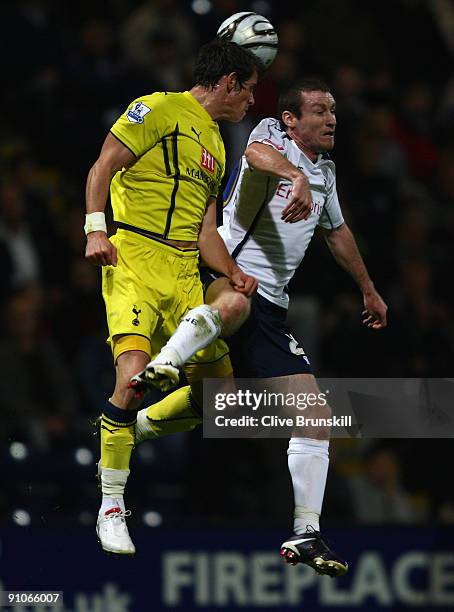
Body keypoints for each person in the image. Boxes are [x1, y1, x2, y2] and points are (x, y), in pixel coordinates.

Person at [134, 79, 388, 577]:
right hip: (225, 270)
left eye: (333, 109)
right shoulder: (273, 135)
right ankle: (165, 364)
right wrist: (292, 172)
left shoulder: (327, 175)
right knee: (233, 309)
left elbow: (336, 234)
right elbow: (252, 154)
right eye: (318, 110)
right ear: (292, 119)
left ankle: (306, 531)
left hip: (270, 307)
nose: (331, 118)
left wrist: (368, 289)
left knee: (307, 413)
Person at [84, 40, 265, 555]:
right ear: (228, 82)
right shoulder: (158, 108)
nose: (253, 101)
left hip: (185, 269)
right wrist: (96, 229)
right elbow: (101, 167)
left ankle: (131, 429)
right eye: (249, 90)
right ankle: (112, 505)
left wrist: (231, 272)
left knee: (223, 404)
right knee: (132, 375)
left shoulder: (217, 141)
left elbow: (206, 230)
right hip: (134, 257)